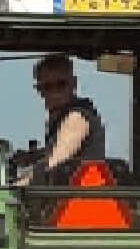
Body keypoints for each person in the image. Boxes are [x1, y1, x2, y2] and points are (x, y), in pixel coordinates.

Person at [23, 54, 107, 183]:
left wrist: (21, 184)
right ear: (39, 90)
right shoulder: (60, 119)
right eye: (47, 87)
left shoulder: (76, 118)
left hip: (79, 198)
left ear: (74, 84)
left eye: (61, 84)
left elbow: (56, 162)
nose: (55, 92)